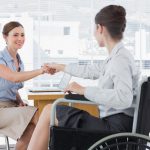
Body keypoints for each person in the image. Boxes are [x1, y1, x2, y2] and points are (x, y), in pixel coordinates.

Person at [27, 5, 139, 150]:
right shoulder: (117, 56)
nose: (94, 33)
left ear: (100, 28)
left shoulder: (120, 60)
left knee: (50, 110)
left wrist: (83, 89)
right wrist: (61, 67)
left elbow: (124, 98)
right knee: (52, 111)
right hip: (113, 126)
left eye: (94, 29)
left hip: (114, 131)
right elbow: (91, 70)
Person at [0, 21, 50, 150]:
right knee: (37, 116)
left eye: (22, 35)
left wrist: (20, 101)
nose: (20, 38)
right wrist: (41, 70)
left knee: (32, 127)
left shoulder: (19, 61)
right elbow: (13, 78)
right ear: (5, 37)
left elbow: (11, 87)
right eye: (15, 35)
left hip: (10, 106)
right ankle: (55, 143)